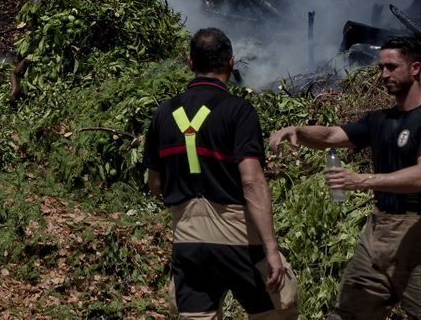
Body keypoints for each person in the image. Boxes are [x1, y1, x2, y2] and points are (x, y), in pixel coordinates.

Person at [145, 28, 296, 320]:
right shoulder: (238, 111)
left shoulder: (163, 113)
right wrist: (272, 248)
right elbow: (251, 181)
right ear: (231, 62)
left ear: (190, 62)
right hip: (239, 238)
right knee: (279, 310)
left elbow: (155, 184)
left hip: (188, 240)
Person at [270, 35, 421, 319]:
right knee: (347, 314)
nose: (384, 74)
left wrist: (361, 180)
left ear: (415, 68)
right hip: (378, 232)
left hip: (417, 231)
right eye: (380, 68)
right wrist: (298, 132)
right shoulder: (379, 119)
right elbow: (331, 135)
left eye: (392, 66)